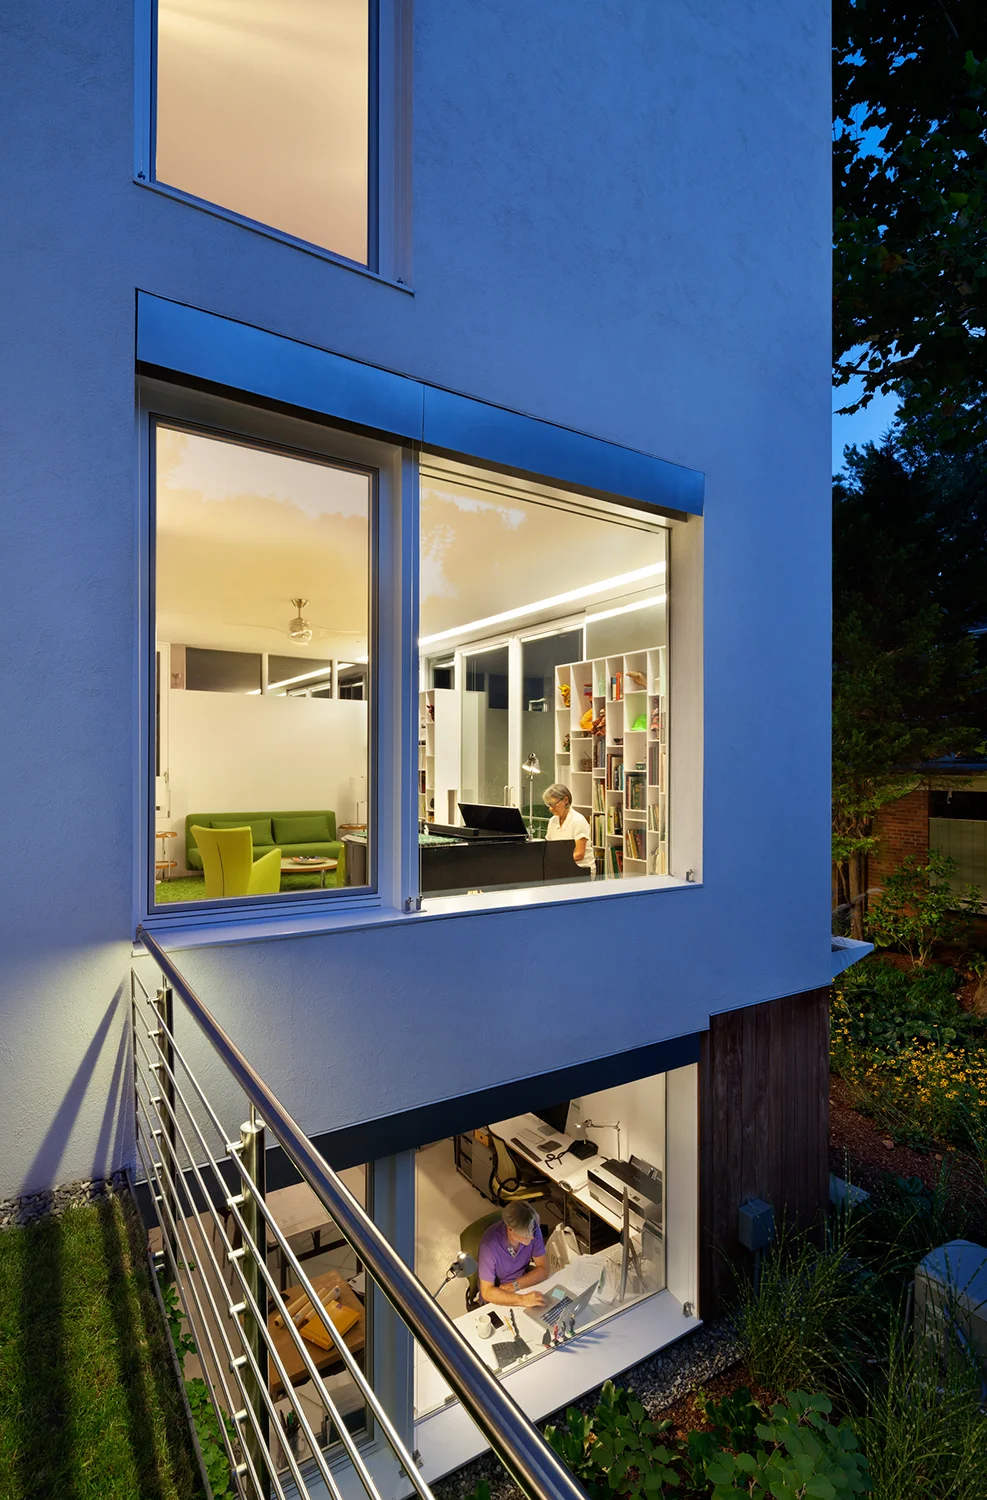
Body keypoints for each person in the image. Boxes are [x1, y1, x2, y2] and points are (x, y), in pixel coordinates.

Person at [477, 1201, 549, 1308]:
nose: (532, 1237)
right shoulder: (489, 1245)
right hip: (499, 1293)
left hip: (520, 1287)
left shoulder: (532, 1229)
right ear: (510, 1229)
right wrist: (522, 1300)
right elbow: (487, 1292)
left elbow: (544, 1269)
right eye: (526, 1234)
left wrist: (515, 1285)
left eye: (533, 1230)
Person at [543, 782, 594, 876]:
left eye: (553, 804)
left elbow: (579, 854)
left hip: (580, 869)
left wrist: (557, 862)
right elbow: (548, 848)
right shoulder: (552, 821)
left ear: (566, 800)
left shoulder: (578, 820)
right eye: (549, 805)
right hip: (560, 867)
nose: (551, 809)